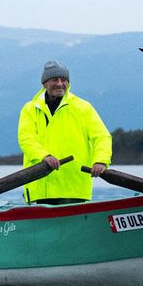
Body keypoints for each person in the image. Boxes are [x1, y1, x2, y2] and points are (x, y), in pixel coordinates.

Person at [18, 60, 112, 205]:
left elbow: (102, 137)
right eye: (55, 80)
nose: (60, 84)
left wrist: (101, 160)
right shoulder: (30, 109)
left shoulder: (83, 108)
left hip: (73, 186)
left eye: (64, 80)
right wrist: (44, 156)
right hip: (39, 185)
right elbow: (26, 139)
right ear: (44, 84)